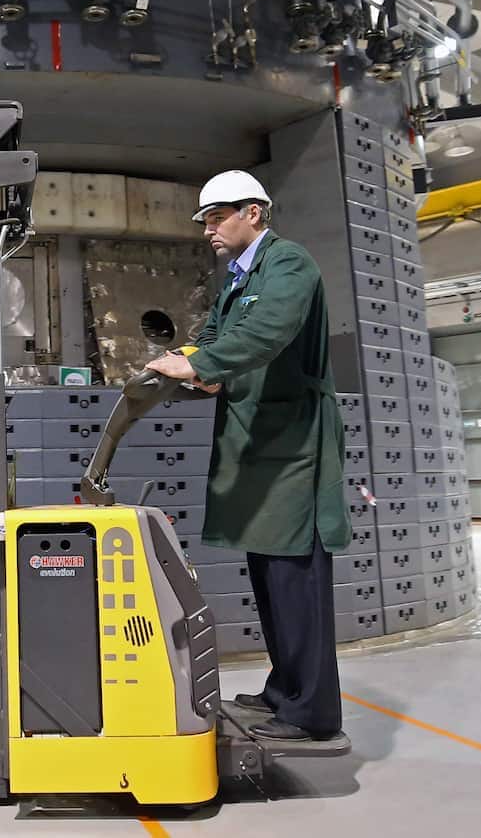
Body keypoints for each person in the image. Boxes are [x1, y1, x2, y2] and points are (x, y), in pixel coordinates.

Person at [145, 169, 350, 748]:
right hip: (261, 447)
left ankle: (312, 712)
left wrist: (201, 365)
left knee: (297, 578)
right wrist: (182, 362)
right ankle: (284, 688)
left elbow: (270, 330)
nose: (208, 229)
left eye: (217, 217)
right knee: (270, 574)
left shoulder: (289, 264)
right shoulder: (237, 277)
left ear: (253, 213)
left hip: (294, 446)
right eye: (206, 220)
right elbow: (212, 338)